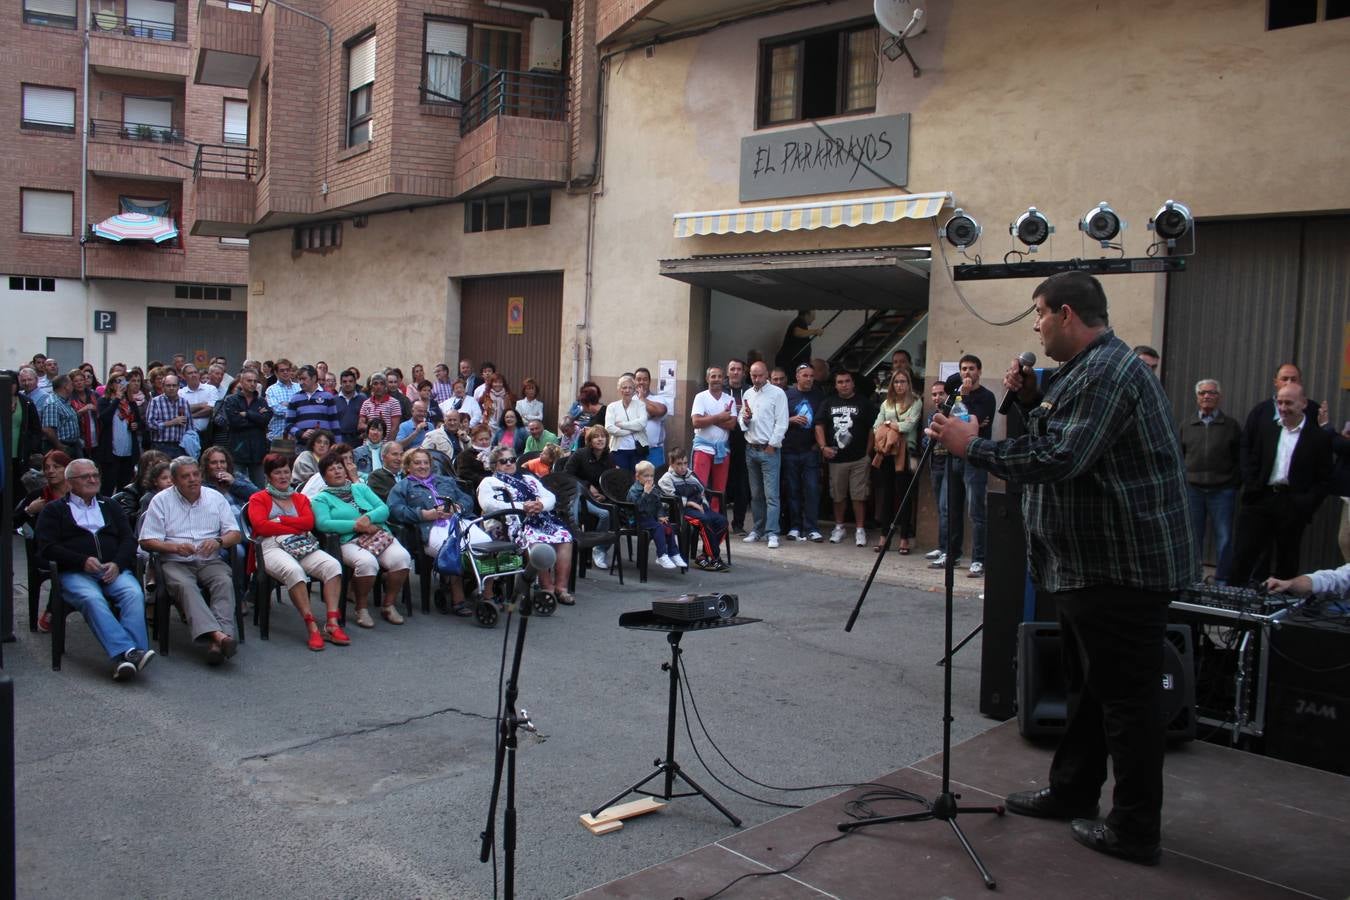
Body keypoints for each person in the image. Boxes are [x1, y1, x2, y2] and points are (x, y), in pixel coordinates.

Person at [928, 270, 1194, 867]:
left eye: (1040, 313)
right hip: (1087, 566)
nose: (1037, 326)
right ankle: (1073, 788)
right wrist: (1024, 401)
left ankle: (1134, 828)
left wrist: (973, 446)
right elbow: (1059, 428)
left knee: (1125, 701)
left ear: (1068, 314)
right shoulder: (1087, 370)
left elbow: (1063, 455)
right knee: (1090, 691)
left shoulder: (1106, 372)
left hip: (1122, 568)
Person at [35, 459, 154, 679]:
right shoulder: (54, 510)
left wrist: (117, 563)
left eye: (95, 475)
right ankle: (128, 653)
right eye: (85, 477)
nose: (92, 480)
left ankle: (126, 658)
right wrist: (81, 561)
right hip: (75, 572)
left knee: (133, 593)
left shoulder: (110, 505)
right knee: (92, 598)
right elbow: (46, 548)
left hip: (112, 569)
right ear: (70, 482)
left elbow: (129, 539)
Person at [139, 456, 244, 666]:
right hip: (175, 560)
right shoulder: (161, 501)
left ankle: (217, 642)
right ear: (175, 481)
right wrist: (174, 547)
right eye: (185, 476)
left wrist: (218, 541)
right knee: (185, 586)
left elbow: (235, 534)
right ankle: (220, 636)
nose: (192, 480)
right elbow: (146, 540)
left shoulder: (215, 497)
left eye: (196, 474)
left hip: (209, 559)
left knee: (223, 581)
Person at [1228, 382, 1332, 585]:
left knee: (1287, 558)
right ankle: (1231, 602)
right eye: (1280, 402)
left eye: (1289, 403)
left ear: (1303, 404)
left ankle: (1279, 606)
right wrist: (1251, 487)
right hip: (1261, 498)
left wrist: (1306, 504)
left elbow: (1325, 478)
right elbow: (1252, 458)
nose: (1283, 408)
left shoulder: (1318, 437)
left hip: (1292, 503)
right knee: (1243, 554)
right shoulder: (1267, 429)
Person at [246, 453, 348, 651]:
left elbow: (309, 523)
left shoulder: (299, 498)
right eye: (277, 473)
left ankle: (332, 623)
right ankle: (311, 626)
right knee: (294, 572)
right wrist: (295, 525)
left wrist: (281, 521)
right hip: (270, 546)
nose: (283, 477)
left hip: (301, 543)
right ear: (268, 476)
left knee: (333, 566)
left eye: (286, 472)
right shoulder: (258, 498)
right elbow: (261, 527)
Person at [310, 451, 411, 628]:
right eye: (332, 469)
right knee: (367, 563)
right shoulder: (321, 498)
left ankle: (388, 604)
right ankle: (361, 607)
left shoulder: (360, 488)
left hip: (377, 535)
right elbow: (323, 524)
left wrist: (368, 518)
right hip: (349, 540)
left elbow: (383, 508)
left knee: (402, 558)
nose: (337, 471)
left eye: (340, 467)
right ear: (324, 476)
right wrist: (356, 526)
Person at [477, 446, 576, 605]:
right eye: (504, 461)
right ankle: (547, 588)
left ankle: (561, 588)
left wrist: (540, 505)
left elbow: (549, 496)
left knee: (565, 537)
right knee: (535, 540)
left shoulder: (528, 479)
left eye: (512, 460)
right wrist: (522, 506)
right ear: (495, 465)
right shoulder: (489, 482)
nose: (509, 464)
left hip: (539, 518)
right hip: (509, 523)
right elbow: (489, 505)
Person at [388, 448, 475, 614]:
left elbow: (467, 498)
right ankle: (458, 598)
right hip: (430, 529)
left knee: (484, 546)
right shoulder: (403, 487)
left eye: (426, 462)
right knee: (453, 550)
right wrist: (423, 514)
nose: (423, 466)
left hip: (458, 522)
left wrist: (458, 507)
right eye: (417, 463)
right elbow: (394, 510)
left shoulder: (445, 481)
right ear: (408, 467)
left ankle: (487, 596)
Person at [1179, 379, 1242, 583]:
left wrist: (1233, 483)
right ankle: (1194, 577)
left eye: (1212, 393)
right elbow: (1179, 455)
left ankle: (1222, 579)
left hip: (1222, 491)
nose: (1207, 396)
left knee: (1224, 537)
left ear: (1219, 397)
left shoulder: (1231, 426)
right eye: (1203, 393)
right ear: (1197, 397)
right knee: (1193, 537)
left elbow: (1240, 457)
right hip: (1193, 490)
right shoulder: (1186, 425)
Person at [947, 354, 996, 577]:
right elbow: (950, 420)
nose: (967, 373)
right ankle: (952, 554)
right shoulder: (955, 394)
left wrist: (964, 402)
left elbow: (972, 423)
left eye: (972, 368)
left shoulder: (987, 396)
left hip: (975, 458)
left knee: (976, 511)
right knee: (952, 508)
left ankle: (978, 559)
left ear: (979, 371)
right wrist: (961, 408)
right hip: (954, 456)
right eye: (964, 369)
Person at [816, 370, 874, 548]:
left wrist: (867, 453)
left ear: (853, 383)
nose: (844, 385)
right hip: (836, 458)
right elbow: (819, 425)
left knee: (859, 496)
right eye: (840, 382)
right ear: (835, 385)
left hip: (858, 458)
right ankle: (839, 527)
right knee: (838, 495)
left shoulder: (864, 403)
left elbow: (873, 428)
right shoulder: (828, 402)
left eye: (847, 381)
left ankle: (860, 529)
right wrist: (823, 447)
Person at [871, 367, 922, 553]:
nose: (900, 385)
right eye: (897, 382)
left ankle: (904, 538)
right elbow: (876, 426)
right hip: (888, 453)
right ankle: (884, 536)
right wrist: (892, 426)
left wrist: (890, 425)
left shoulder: (916, 402)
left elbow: (910, 425)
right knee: (887, 495)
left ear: (909, 383)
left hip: (906, 453)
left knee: (904, 495)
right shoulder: (886, 403)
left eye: (903, 381)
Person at [738, 360, 788, 548]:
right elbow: (742, 420)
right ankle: (758, 530)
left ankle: (772, 532)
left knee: (771, 494)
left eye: (759, 375)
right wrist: (745, 419)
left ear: (767, 374)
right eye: (753, 375)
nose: (756, 379)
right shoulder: (748, 393)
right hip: (751, 448)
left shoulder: (777, 393)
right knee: (756, 493)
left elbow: (782, 422)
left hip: (768, 449)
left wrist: (772, 445)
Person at [659, 447, 728, 570]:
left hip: (699, 508)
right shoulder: (666, 479)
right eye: (679, 464)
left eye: (685, 463)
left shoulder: (691, 475)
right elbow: (673, 498)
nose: (683, 467)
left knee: (722, 521)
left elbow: (702, 491)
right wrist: (691, 503)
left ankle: (704, 556)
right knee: (703, 521)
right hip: (681, 511)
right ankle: (715, 558)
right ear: (672, 463)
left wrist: (704, 504)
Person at [562, 424, 616, 571]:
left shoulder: (609, 458)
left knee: (614, 512)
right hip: (578, 496)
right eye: (596, 437)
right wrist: (587, 486)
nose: (600, 440)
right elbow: (567, 476)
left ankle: (600, 548)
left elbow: (611, 481)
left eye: (603, 436)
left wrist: (603, 494)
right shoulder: (580, 454)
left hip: (599, 497)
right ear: (590, 441)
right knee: (604, 514)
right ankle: (596, 548)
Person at [781, 363, 824, 543]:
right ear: (797, 377)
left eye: (811, 376)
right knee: (792, 490)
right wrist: (790, 420)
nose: (808, 379)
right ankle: (795, 527)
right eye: (805, 375)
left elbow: (823, 422)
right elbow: (776, 419)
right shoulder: (786, 395)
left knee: (812, 489)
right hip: (790, 450)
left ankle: (812, 528)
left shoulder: (819, 396)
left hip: (810, 451)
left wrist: (819, 445)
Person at [690, 367, 736, 511]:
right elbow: (696, 422)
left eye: (719, 376)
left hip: (722, 449)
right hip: (702, 448)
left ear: (724, 379)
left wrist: (708, 418)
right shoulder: (700, 397)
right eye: (713, 376)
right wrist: (719, 417)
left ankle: (715, 518)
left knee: (719, 489)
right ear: (707, 379)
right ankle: (699, 518)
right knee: (699, 486)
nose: (716, 379)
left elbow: (732, 424)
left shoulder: (730, 399)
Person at [627, 460, 686, 569]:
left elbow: (658, 505)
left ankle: (674, 553)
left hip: (651, 519)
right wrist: (645, 493)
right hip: (637, 521)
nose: (649, 479)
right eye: (646, 476)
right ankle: (661, 555)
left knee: (666, 525)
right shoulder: (634, 491)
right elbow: (637, 508)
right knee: (658, 527)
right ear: (637, 477)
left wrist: (661, 516)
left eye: (651, 476)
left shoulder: (653, 488)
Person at [219, 368, 272, 486]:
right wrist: (257, 417)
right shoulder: (231, 400)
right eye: (249, 381)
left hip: (258, 450)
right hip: (238, 448)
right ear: (241, 382)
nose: (253, 384)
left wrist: (247, 414)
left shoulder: (261, 401)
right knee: (237, 485)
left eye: (255, 381)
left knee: (259, 487)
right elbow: (235, 422)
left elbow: (265, 420)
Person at [95, 373, 145, 494]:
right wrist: (117, 399)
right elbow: (104, 419)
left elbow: (140, 423)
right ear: (111, 384)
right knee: (108, 485)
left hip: (127, 451)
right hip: (111, 451)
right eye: (118, 381)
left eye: (124, 382)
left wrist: (136, 425)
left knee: (125, 486)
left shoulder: (130, 403)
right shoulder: (104, 401)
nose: (122, 384)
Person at [923, 380, 951, 561]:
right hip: (935, 465)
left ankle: (949, 549)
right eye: (934, 394)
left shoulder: (952, 414)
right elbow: (926, 442)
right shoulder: (932, 415)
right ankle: (942, 547)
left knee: (946, 508)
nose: (937, 397)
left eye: (940, 393)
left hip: (949, 466)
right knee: (941, 510)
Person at [724, 359, 750, 532]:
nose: (735, 372)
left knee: (743, 486)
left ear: (744, 372)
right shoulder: (721, 391)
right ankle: (720, 523)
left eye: (739, 369)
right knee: (722, 485)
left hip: (745, 443)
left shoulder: (750, 391)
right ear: (728, 372)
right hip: (724, 442)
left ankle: (739, 524)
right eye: (732, 369)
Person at [284, 364, 339, 447]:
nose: (301, 382)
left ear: (313, 378)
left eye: (304, 379)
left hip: (324, 446)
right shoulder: (295, 398)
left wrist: (337, 444)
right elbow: (288, 424)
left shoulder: (328, 397)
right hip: (302, 445)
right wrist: (301, 433)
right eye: (299, 379)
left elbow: (334, 423)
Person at [605, 374, 649, 471]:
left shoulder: (640, 405)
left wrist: (621, 425)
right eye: (624, 387)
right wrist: (632, 430)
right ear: (619, 389)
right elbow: (609, 427)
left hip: (638, 450)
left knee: (638, 478)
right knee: (621, 478)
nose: (627, 390)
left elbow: (642, 424)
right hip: (618, 450)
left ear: (634, 390)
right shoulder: (612, 407)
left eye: (630, 388)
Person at [145, 373, 193, 457]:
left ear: (178, 387)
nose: (171, 388)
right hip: (160, 446)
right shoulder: (155, 401)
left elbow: (190, 427)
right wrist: (172, 422)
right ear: (163, 387)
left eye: (174, 385)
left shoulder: (184, 402)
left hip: (180, 446)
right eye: (168, 385)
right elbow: (150, 424)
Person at [200, 445, 258, 511]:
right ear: (206, 465)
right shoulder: (202, 485)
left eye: (222, 462)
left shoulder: (237, 477)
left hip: (242, 518)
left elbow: (258, 496)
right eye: (214, 463)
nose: (219, 466)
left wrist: (234, 483)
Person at [635, 367, 672, 468]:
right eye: (639, 379)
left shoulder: (659, 399)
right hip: (634, 450)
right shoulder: (630, 400)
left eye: (645, 379)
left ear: (649, 381)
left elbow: (660, 411)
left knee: (656, 480)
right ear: (635, 381)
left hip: (654, 450)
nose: (641, 382)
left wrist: (642, 398)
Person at [40, 375, 82, 456]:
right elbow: (48, 429)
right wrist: (59, 446)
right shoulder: (53, 404)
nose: (73, 385)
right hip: (61, 446)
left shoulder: (64, 402)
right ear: (66, 387)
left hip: (73, 444)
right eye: (71, 384)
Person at [179, 364, 219, 445]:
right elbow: (180, 411)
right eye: (190, 373)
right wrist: (200, 405)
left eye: (195, 372)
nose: (193, 375)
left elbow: (211, 409)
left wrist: (190, 416)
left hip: (209, 434)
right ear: (183, 376)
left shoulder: (211, 389)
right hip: (188, 435)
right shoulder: (180, 393)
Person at [358, 372, 402, 438]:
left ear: (385, 386)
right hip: (368, 444)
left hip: (385, 444)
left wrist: (387, 445)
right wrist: (374, 427)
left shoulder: (394, 403)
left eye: (382, 384)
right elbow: (360, 425)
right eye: (375, 383)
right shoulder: (366, 403)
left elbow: (394, 428)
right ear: (371, 386)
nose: (378, 386)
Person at [264, 359, 299, 441]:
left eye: (288, 370)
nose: (285, 372)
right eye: (282, 370)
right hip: (277, 435)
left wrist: (287, 404)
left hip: (296, 436)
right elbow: (277, 410)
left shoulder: (299, 388)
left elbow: (304, 407)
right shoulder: (271, 390)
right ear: (276, 373)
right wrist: (295, 408)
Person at [334, 368, 368, 446]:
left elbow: (367, 419)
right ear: (341, 383)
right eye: (344, 381)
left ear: (355, 382)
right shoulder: (334, 400)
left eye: (350, 381)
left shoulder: (363, 399)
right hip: (339, 439)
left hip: (358, 440)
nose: (348, 384)